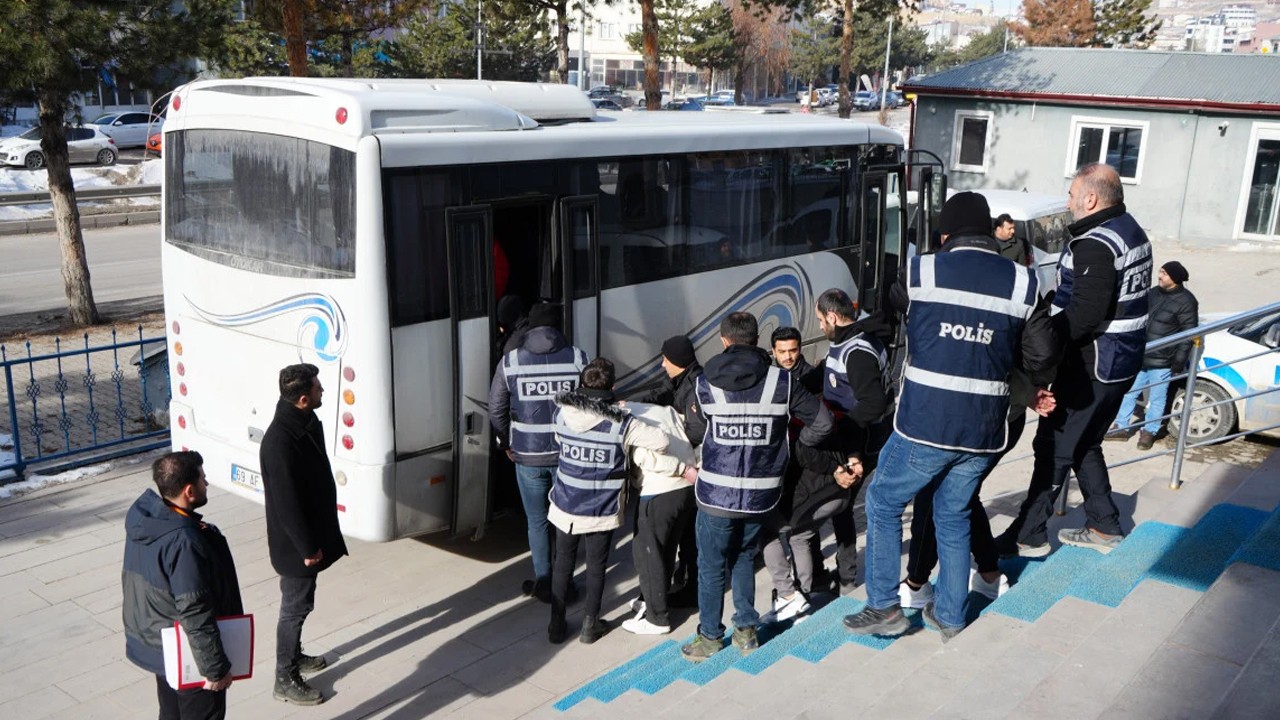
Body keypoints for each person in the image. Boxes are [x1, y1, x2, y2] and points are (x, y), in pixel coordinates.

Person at [843, 191, 1051, 642]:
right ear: (990, 232)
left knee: (882, 501)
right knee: (952, 513)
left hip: (925, 423)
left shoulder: (922, 271)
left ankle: (883, 608)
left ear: (944, 234)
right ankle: (952, 616)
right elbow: (1041, 358)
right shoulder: (1023, 282)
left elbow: (893, 304)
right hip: (984, 429)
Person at [997, 163, 1152, 557]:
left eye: (1070, 194)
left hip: (1092, 365)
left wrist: (1042, 346)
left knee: (1053, 447)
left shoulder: (1097, 245)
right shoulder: (1129, 229)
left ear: (1091, 199)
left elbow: (1083, 315)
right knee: (1086, 442)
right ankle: (1105, 525)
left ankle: (1027, 535)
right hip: (1120, 362)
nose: (1067, 201)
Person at [680, 312, 834, 662]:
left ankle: (709, 637)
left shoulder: (704, 383)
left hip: (715, 494)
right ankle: (746, 631)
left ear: (724, 341)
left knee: (711, 565)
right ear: (756, 339)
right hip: (761, 495)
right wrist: (793, 446)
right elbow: (822, 422)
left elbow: (694, 431)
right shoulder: (782, 381)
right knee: (744, 557)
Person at [546, 358, 680, 644]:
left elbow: (560, 443)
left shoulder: (562, 413)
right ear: (613, 387)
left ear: (582, 385)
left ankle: (556, 625)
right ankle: (590, 626)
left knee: (563, 563)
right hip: (600, 507)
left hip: (564, 502)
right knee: (596, 566)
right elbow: (661, 441)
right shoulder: (621, 423)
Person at [123, 451, 242, 720]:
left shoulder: (147, 519)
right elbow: (195, 609)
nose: (207, 483)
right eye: (203, 478)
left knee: (170, 713)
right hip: (189, 654)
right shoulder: (183, 540)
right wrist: (215, 668)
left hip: (161, 646)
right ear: (189, 490)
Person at [261, 363, 349, 706]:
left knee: (302, 602)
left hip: (310, 536)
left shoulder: (303, 421)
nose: (322, 391)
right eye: (317, 388)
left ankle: (294, 656)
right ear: (302, 399)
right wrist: (307, 547)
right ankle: (284, 676)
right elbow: (287, 505)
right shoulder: (279, 442)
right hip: (296, 545)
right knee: (295, 607)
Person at [489, 302, 589, 601]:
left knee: (537, 520)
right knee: (566, 517)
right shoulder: (577, 358)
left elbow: (496, 410)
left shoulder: (511, 362)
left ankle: (544, 581)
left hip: (527, 457)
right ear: (558, 326)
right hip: (567, 455)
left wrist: (506, 442)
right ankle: (565, 580)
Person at [815, 289, 893, 593]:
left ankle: (847, 577)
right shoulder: (850, 340)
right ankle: (846, 572)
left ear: (833, 317)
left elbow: (872, 402)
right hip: (860, 438)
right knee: (843, 504)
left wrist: (845, 435)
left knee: (842, 502)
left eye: (821, 320)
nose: (820, 326)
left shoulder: (857, 351)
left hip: (862, 441)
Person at [634, 334, 704, 606]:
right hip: (687, 466)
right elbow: (659, 393)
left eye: (666, 359)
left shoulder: (696, 387)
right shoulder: (680, 379)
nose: (662, 364)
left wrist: (670, 438)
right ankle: (684, 579)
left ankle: (691, 586)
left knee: (689, 535)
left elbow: (696, 431)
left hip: (694, 466)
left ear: (679, 361)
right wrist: (631, 405)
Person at [622, 395, 699, 635]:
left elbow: (644, 457)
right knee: (666, 551)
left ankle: (657, 617)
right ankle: (654, 601)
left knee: (648, 555)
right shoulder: (664, 411)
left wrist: (681, 469)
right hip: (684, 493)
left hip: (658, 491)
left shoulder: (630, 422)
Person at [1107, 261, 1199, 450]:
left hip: (1163, 360)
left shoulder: (1187, 301)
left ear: (1174, 278)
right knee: (1129, 391)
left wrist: (1178, 362)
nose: (1160, 276)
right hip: (1141, 355)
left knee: (1157, 398)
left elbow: (1188, 335)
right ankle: (1121, 427)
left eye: (1164, 274)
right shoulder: (1154, 293)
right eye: (1160, 272)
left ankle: (1150, 431)